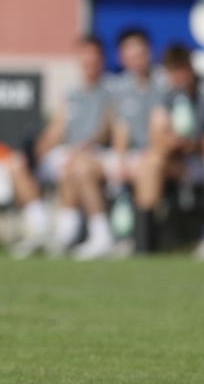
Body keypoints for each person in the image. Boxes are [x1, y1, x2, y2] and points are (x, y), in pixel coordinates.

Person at [9, 36, 112, 258]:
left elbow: (108, 128)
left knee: (76, 165)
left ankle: (84, 234)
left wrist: (84, 146)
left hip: (97, 155)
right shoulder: (71, 93)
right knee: (17, 163)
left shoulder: (111, 90)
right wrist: (37, 151)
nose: (89, 61)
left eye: (93, 55)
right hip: (70, 152)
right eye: (85, 55)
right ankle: (40, 229)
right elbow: (57, 128)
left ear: (101, 58)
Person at [69, 27, 164, 260]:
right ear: (122, 58)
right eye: (129, 56)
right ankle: (101, 237)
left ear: (149, 53)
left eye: (139, 54)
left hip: (156, 156)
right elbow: (118, 126)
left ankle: (142, 242)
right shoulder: (118, 88)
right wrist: (119, 159)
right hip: (127, 156)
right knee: (81, 166)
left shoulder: (163, 84)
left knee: (150, 166)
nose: (135, 61)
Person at [132, 44, 204, 254]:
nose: (178, 78)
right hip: (179, 163)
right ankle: (143, 243)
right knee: (151, 163)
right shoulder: (167, 97)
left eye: (181, 71)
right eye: (173, 73)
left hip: (198, 158)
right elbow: (158, 134)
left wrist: (194, 143)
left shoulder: (201, 94)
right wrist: (173, 142)